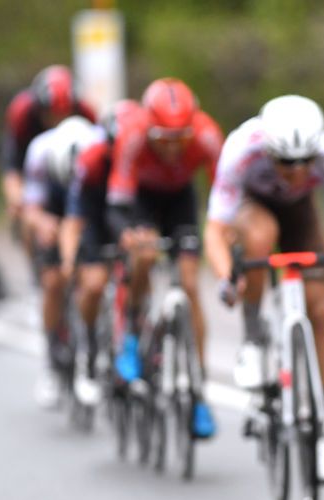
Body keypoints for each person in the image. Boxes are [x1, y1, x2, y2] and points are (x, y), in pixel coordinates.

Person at [203, 95, 324, 483]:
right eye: (285, 163)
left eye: (304, 163)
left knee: (321, 311)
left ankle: (319, 427)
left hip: (300, 212)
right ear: (268, 150)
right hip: (253, 208)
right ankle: (253, 339)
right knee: (261, 236)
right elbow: (214, 230)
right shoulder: (241, 150)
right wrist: (228, 276)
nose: (296, 172)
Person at [106, 78, 223, 439]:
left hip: (181, 200)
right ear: (150, 129)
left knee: (190, 283)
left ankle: (199, 390)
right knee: (143, 255)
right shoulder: (134, 134)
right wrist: (129, 232)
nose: (173, 149)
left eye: (180, 140)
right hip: (142, 199)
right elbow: (118, 200)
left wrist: (221, 233)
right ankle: (129, 336)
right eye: (164, 140)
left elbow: (224, 192)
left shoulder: (206, 135)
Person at [58, 99, 144, 406]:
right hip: (96, 217)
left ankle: (138, 332)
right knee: (93, 284)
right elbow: (74, 218)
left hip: (129, 215)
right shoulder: (91, 161)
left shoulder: (143, 160)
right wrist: (68, 259)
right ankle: (90, 351)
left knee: (142, 262)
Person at [20, 115, 97, 406]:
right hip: (54, 208)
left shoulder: (99, 151)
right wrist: (42, 223)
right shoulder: (40, 153)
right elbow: (30, 207)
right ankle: (52, 358)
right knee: (53, 280)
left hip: (91, 205)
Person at [2, 65, 96, 253]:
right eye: (51, 115)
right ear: (39, 110)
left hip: (71, 172)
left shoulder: (88, 114)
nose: (57, 122)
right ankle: (33, 259)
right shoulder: (22, 116)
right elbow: (12, 167)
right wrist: (18, 201)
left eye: (65, 114)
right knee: (21, 208)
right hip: (34, 172)